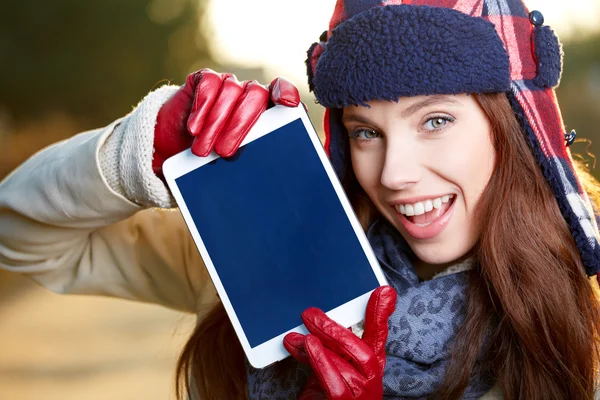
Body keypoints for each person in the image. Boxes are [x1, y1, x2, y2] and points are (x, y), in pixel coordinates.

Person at [1, 0, 600, 399]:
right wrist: (142, 148)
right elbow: (20, 236)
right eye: (366, 131)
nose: (393, 173)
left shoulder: (586, 324)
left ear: (513, 126)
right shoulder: (272, 262)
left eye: (435, 120)